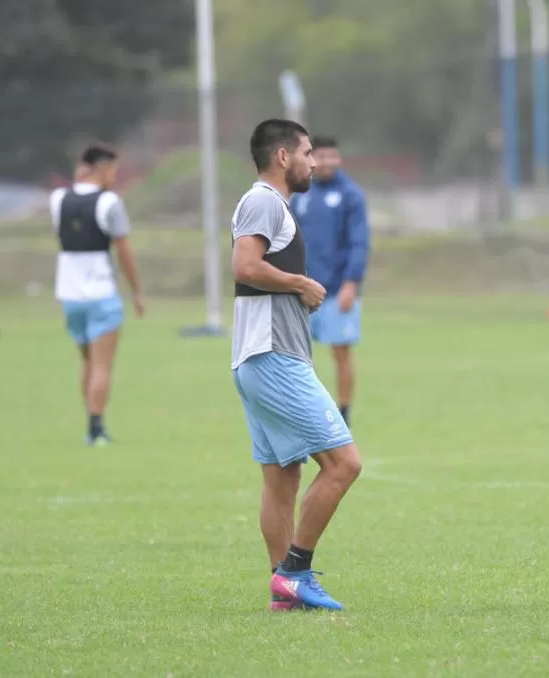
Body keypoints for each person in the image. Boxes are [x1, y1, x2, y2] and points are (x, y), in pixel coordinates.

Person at [230, 119, 363, 612]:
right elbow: (245, 266)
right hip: (273, 357)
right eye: (306, 152)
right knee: (344, 464)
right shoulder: (264, 200)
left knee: (282, 477)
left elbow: (253, 274)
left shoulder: (271, 204)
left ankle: (281, 593)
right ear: (283, 157)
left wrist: (292, 293)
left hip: (255, 356)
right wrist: (300, 285)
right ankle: (294, 572)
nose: (313, 161)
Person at [50, 143, 145, 446]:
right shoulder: (109, 203)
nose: (114, 177)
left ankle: (91, 421)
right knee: (103, 365)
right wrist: (137, 292)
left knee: (88, 363)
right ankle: (96, 428)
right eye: (113, 170)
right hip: (101, 292)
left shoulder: (58, 199)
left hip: (69, 294)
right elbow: (124, 252)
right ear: (102, 169)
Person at [291, 136, 370, 427]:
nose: (326, 162)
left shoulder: (350, 195)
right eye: (320, 157)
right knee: (296, 355)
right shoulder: (301, 194)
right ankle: (304, 411)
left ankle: (344, 414)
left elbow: (359, 242)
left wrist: (352, 282)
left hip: (337, 290)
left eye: (332, 157)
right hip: (302, 290)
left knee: (341, 353)